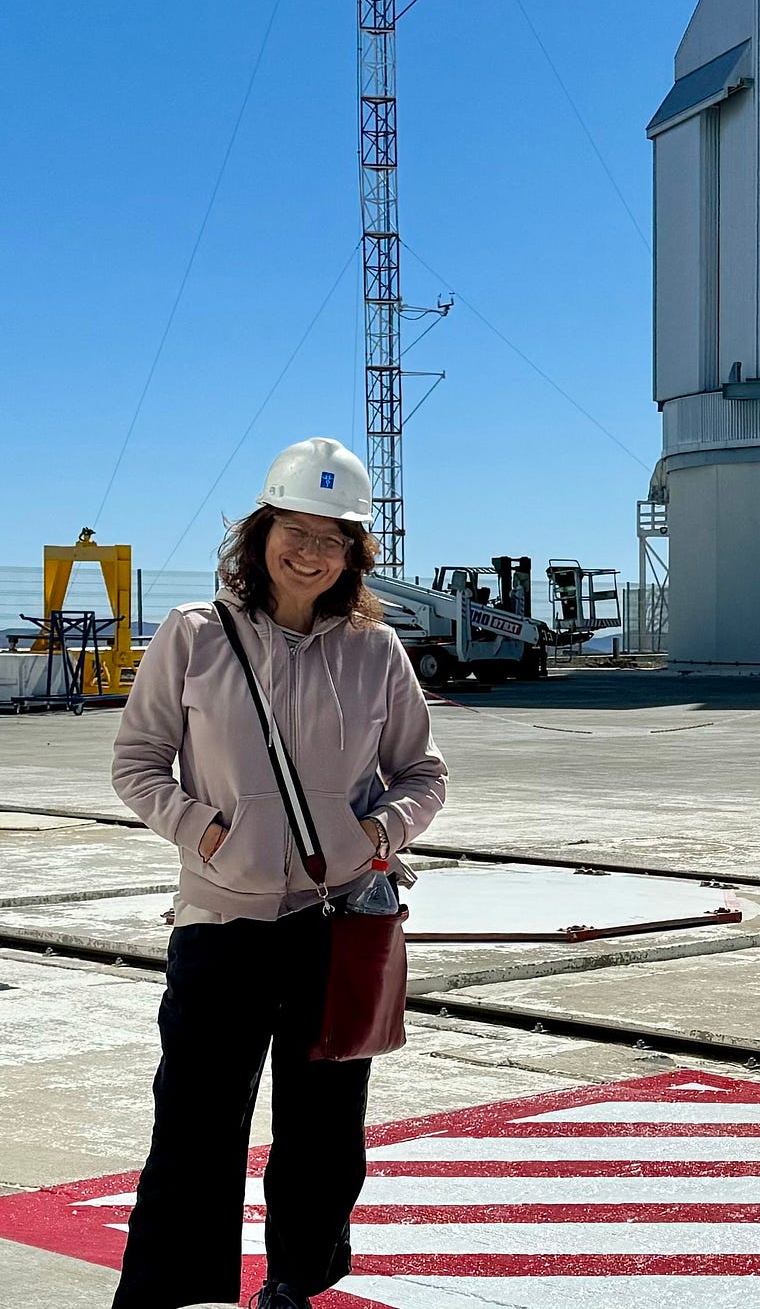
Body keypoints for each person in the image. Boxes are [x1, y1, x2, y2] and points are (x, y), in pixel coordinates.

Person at [109, 436, 448, 1309]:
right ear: (260, 533)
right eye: (295, 530)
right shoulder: (193, 636)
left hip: (336, 929)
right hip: (220, 927)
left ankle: (297, 1283)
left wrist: (379, 834)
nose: (311, 552)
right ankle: (172, 1296)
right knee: (195, 1128)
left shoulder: (377, 652)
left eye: (333, 538)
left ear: (354, 554)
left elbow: (426, 773)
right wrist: (203, 832)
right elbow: (138, 761)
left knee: (325, 1133)